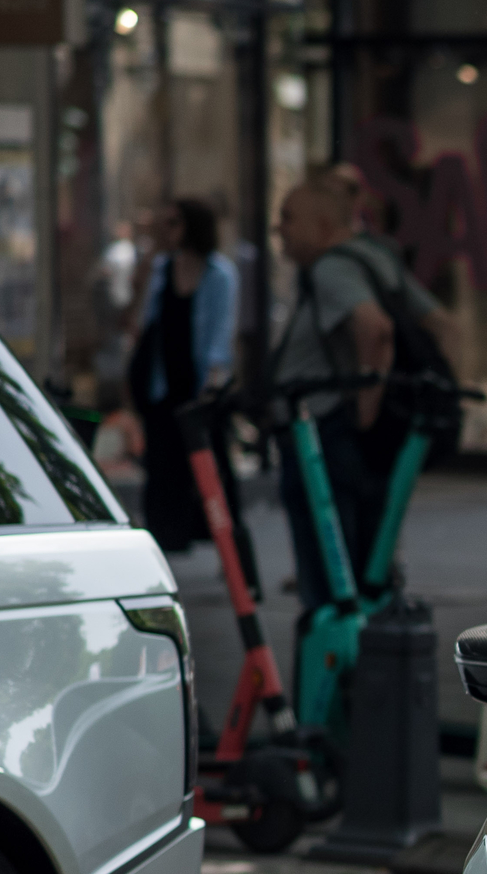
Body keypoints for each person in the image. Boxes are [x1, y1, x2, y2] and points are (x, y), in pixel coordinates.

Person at [270, 171, 445, 614]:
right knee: (365, 569)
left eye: (288, 219)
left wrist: (366, 410)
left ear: (323, 226)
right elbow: (445, 326)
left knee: (332, 583)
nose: (279, 230)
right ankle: (363, 666)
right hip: (349, 439)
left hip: (325, 437)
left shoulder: (331, 267)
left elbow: (375, 328)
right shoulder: (376, 257)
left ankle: (334, 673)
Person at [126, 198, 250, 565]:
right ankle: (164, 545)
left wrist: (213, 383)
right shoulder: (162, 269)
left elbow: (220, 335)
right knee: (162, 467)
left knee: (214, 471)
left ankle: (232, 553)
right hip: (163, 384)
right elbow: (142, 324)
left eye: (174, 224)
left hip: (199, 386)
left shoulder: (219, 274)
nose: (167, 232)